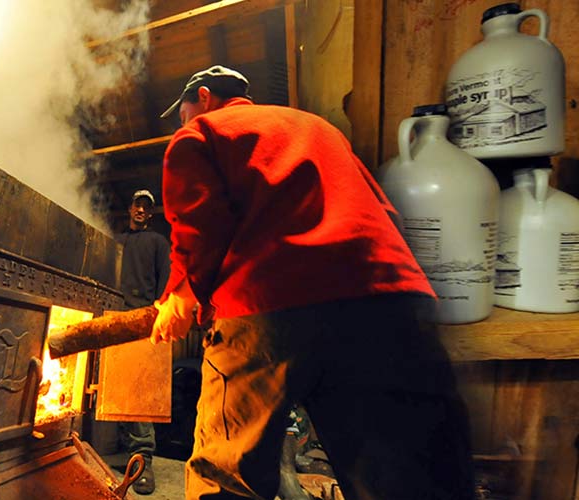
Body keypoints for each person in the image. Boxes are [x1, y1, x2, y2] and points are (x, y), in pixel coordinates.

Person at [150, 65, 475, 500]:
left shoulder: (201, 133)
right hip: (388, 301)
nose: (182, 120)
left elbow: (198, 226)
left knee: (229, 475)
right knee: (410, 479)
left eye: (183, 110)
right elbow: (378, 207)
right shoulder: (318, 129)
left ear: (203, 98)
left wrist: (181, 295)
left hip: (266, 307)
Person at [115, 189, 171, 495]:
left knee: (140, 389)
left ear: (150, 214)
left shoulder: (158, 242)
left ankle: (142, 459)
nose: (141, 210)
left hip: (141, 319)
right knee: (112, 385)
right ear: (130, 208)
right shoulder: (116, 240)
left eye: (146, 208)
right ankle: (112, 447)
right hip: (112, 316)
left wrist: (155, 315)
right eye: (137, 204)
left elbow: (166, 281)